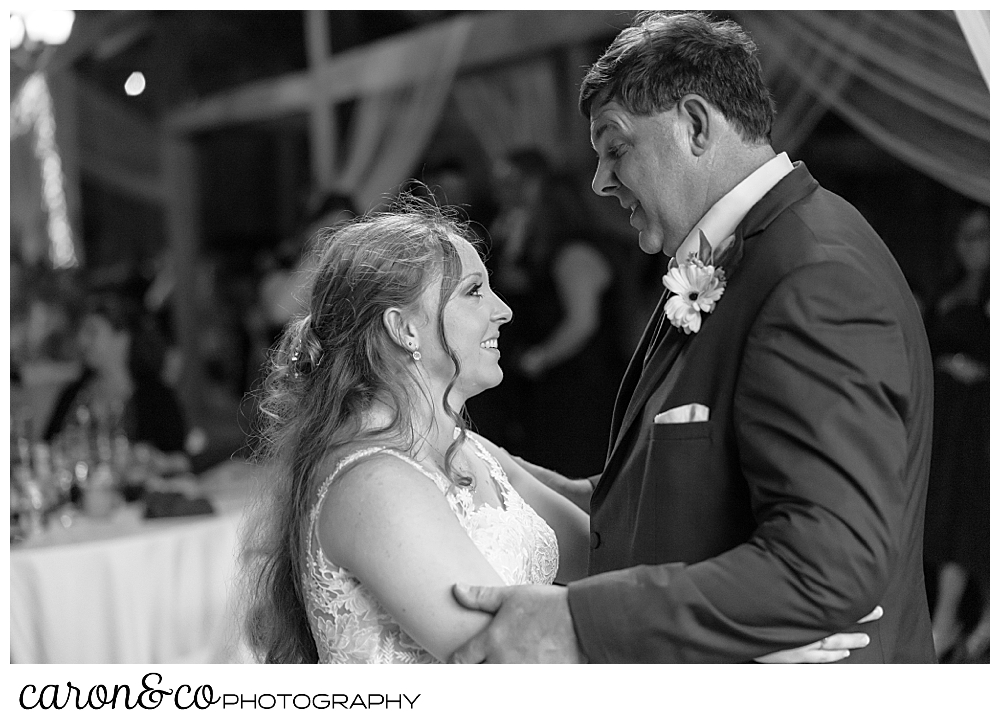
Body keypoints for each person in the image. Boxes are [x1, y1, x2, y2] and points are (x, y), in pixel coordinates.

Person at [450, 11, 935, 663]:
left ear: (696, 125)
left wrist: (580, 622)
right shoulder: (728, 260)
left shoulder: (815, 276)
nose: (599, 180)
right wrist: (494, 472)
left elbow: (826, 569)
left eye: (615, 146)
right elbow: (678, 490)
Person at [240, 199, 873, 663]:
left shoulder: (469, 451)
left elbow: (610, 537)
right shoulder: (374, 485)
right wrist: (739, 652)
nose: (504, 308)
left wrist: (777, 592)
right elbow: (502, 661)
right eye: (473, 292)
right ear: (404, 328)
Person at [467, 149, 625, 477]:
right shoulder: (522, 242)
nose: (500, 194)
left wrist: (538, 358)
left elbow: (582, 322)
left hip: (579, 393)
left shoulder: (574, 251)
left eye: (511, 183)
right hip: (544, 395)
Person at [923, 207, 990, 663]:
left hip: (981, 415)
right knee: (941, 506)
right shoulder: (948, 289)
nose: (968, 245)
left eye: (979, 236)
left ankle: (959, 622)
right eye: (963, 236)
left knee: (970, 508)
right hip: (946, 415)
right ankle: (946, 621)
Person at [44, 292, 188, 455]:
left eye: (92, 332)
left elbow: (180, 459)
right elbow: (46, 449)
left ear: (122, 338)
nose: (82, 340)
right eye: (81, 331)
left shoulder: (156, 397)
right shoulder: (72, 394)